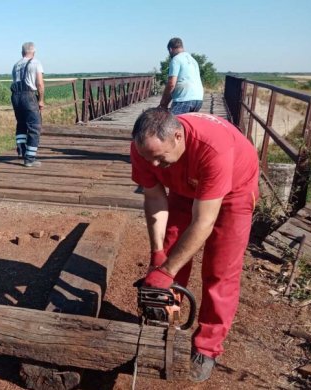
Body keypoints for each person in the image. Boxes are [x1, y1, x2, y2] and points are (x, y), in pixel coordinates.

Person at [130, 108, 259, 382]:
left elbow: (203, 222)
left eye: (160, 158)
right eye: (147, 158)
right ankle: (168, 322)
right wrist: (158, 257)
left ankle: (207, 347)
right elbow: (154, 200)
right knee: (170, 254)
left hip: (233, 191)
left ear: (178, 137)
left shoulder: (213, 149)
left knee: (220, 269)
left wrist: (165, 273)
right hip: (185, 186)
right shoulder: (145, 149)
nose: (153, 165)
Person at [11, 41, 44, 167]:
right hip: (28, 96)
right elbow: (40, 84)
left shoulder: (16, 65)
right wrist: (41, 100)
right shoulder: (36, 63)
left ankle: (22, 151)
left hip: (15, 96)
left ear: (22, 52)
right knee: (34, 126)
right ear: (33, 52)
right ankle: (30, 158)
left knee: (21, 124)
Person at [158, 37, 204, 115]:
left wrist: (163, 103)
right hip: (198, 99)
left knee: (171, 124)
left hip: (184, 99)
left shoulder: (176, 59)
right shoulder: (193, 60)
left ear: (170, 49)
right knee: (186, 125)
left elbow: (171, 84)